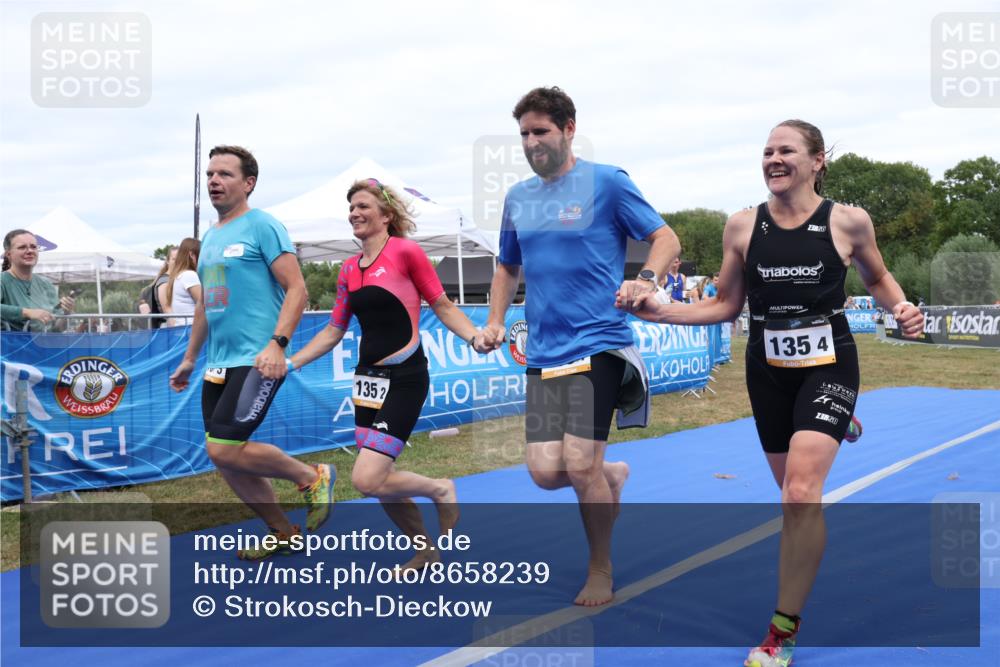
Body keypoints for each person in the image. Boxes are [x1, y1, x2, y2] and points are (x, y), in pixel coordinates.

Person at [627, 120, 924, 667]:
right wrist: (662, 309)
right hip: (767, 370)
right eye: (767, 151)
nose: (774, 159)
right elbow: (725, 305)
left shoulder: (848, 221)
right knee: (788, 495)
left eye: (786, 150)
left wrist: (900, 307)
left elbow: (878, 278)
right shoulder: (742, 226)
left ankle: (781, 631)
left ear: (817, 161)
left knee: (799, 494)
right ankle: (836, 424)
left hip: (830, 362)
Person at [480, 86, 681, 606]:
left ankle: (600, 569)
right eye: (524, 133)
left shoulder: (607, 182)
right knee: (547, 473)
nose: (531, 141)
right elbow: (507, 265)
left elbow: (665, 238)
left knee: (577, 463)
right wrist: (496, 319)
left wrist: (647, 278)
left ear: (569, 128)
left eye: (540, 131)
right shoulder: (518, 197)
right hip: (544, 352)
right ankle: (611, 474)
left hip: (599, 343)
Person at [290, 178, 483, 571]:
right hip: (367, 382)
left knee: (366, 478)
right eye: (351, 208)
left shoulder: (406, 252)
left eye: (362, 206)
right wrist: (290, 363)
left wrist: (474, 337)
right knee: (382, 481)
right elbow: (332, 331)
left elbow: (442, 305)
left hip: (406, 376)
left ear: (386, 215)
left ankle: (441, 490)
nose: (354, 213)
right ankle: (425, 550)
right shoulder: (347, 269)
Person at [169, 145, 333, 560]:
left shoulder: (263, 225)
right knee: (227, 459)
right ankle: (282, 532)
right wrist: (191, 357)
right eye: (209, 174)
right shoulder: (210, 238)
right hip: (218, 362)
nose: (214, 181)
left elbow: (298, 289)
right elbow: (208, 303)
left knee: (222, 447)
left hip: (258, 357)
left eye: (224, 174)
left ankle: (311, 475)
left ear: (248, 183)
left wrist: (277, 344)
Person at [1, 229, 76, 332]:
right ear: (8, 254)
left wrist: (67, 313)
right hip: (11, 347)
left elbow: (56, 329)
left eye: (33, 247)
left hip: (44, 346)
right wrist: (27, 313)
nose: (30, 251)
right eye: (22, 247)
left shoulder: (46, 284)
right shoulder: (3, 280)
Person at [163, 238, 201, 327]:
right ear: (192, 255)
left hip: (182, 328)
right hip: (191, 328)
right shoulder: (189, 275)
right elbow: (205, 303)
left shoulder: (179, 275)